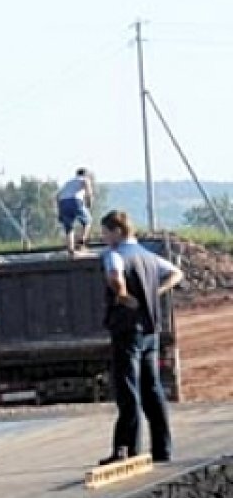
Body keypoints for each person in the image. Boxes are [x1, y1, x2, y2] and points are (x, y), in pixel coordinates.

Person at [98, 210, 184, 466]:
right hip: (150, 330)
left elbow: (114, 276)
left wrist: (123, 295)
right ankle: (162, 448)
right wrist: (156, 291)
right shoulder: (147, 256)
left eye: (105, 232)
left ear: (116, 231)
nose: (103, 238)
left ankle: (127, 449)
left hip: (127, 330)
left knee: (128, 388)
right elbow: (176, 273)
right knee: (152, 388)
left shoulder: (114, 255)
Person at [57, 167, 94, 254]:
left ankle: (71, 249)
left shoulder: (69, 182)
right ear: (85, 174)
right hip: (74, 200)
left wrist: (59, 211)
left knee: (69, 228)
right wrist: (89, 202)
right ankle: (81, 243)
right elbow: (89, 191)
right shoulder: (85, 179)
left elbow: (58, 196)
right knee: (88, 221)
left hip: (63, 202)